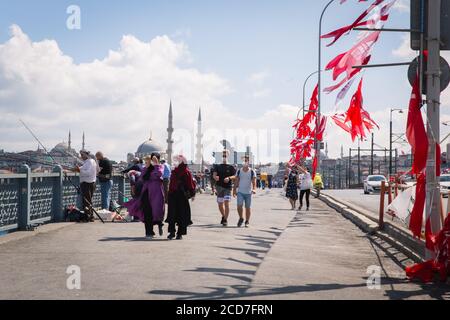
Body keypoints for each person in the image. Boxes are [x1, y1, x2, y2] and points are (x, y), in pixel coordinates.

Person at [124, 153, 165, 239]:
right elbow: (142, 177)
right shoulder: (146, 168)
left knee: (157, 212)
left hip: (156, 194)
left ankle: (159, 224)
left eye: (154, 159)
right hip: (146, 193)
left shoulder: (160, 167)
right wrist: (137, 172)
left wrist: (156, 165)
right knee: (147, 213)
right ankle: (149, 232)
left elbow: (159, 174)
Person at [166, 155, 196, 240]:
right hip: (173, 195)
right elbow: (171, 183)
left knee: (181, 214)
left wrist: (192, 194)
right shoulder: (174, 171)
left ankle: (179, 233)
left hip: (181, 196)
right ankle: (172, 232)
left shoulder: (186, 172)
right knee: (172, 214)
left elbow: (190, 184)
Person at [213, 150, 236, 226]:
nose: (224, 157)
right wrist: (215, 177)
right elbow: (214, 175)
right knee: (220, 204)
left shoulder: (231, 167)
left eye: (225, 155)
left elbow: (235, 176)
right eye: (223, 155)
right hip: (219, 187)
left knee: (226, 204)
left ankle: (225, 220)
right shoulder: (217, 166)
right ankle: (223, 216)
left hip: (227, 188)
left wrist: (229, 178)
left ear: (228, 156)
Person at [74, 150, 99, 222]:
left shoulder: (90, 162)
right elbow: (82, 169)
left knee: (87, 201)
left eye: (82, 155)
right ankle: (89, 216)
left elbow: (88, 173)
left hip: (88, 183)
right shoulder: (87, 162)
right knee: (87, 201)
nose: (81, 156)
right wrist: (72, 170)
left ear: (86, 155)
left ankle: (89, 217)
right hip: (87, 183)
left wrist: (79, 170)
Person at [233, 156, 256, 228]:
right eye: (243, 161)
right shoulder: (239, 171)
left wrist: (254, 189)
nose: (244, 162)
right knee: (239, 206)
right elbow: (236, 181)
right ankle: (241, 218)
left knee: (247, 207)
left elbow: (254, 182)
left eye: (246, 160)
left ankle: (247, 221)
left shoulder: (252, 171)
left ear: (248, 162)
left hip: (248, 192)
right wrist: (234, 190)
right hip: (240, 192)